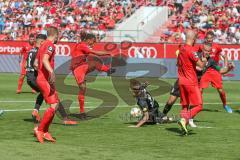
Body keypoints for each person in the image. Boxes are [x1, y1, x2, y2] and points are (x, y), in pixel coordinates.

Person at [163, 43, 235, 128]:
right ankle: (162, 116)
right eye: (205, 50)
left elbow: (221, 71)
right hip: (184, 80)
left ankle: (189, 120)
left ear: (210, 51)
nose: (206, 52)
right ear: (202, 50)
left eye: (208, 51)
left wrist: (229, 68)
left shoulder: (211, 61)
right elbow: (196, 66)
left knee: (195, 103)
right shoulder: (196, 55)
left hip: (194, 83)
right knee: (171, 101)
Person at [34, 26, 76, 144]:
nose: (59, 38)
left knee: (56, 104)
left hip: (43, 79)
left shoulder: (42, 45)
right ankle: (40, 130)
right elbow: (44, 60)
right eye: (59, 36)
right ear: (56, 35)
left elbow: (36, 63)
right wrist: (51, 72)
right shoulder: (50, 45)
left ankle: (46, 132)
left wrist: (43, 73)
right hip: (44, 80)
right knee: (53, 105)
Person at [71, 33, 115, 117]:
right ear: (89, 40)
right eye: (93, 41)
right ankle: (82, 112)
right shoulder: (82, 45)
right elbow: (95, 53)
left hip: (82, 66)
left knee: (94, 62)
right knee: (83, 88)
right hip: (78, 68)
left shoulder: (81, 45)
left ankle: (108, 70)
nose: (93, 44)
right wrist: (108, 53)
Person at [177, 30, 207, 135]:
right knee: (199, 105)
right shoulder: (191, 50)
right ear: (193, 39)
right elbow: (201, 66)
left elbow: (178, 64)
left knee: (185, 106)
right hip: (191, 81)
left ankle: (183, 127)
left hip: (181, 81)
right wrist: (204, 58)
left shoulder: (181, 49)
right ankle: (184, 120)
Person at [200, 31, 233, 113]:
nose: (209, 40)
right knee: (200, 90)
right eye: (208, 38)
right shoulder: (201, 47)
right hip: (205, 71)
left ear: (213, 38)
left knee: (220, 90)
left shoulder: (217, 47)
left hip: (215, 71)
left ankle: (225, 105)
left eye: (211, 38)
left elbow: (224, 56)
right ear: (205, 39)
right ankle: (198, 105)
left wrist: (225, 66)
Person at [26, 34, 47, 127]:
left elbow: (26, 64)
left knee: (44, 92)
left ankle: (35, 111)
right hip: (34, 77)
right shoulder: (39, 51)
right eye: (45, 42)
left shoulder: (31, 50)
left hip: (29, 77)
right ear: (42, 42)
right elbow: (36, 65)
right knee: (49, 92)